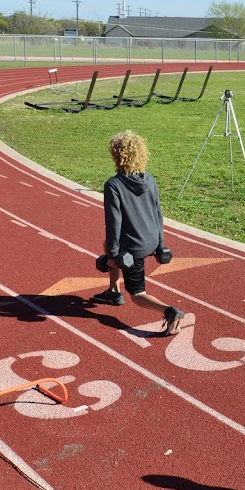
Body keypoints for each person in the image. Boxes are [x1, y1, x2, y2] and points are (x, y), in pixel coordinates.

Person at [91, 130, 184, 336]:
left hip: (134, 247)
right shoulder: (149, 180)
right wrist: (160, 244)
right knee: (108, 244)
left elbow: (114, 222)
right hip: (152, 238)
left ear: (117, 156)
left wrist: (114, 257)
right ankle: (114, 293)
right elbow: (158, 212)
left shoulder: (113, 185)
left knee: (137, 294)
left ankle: (169, 311)